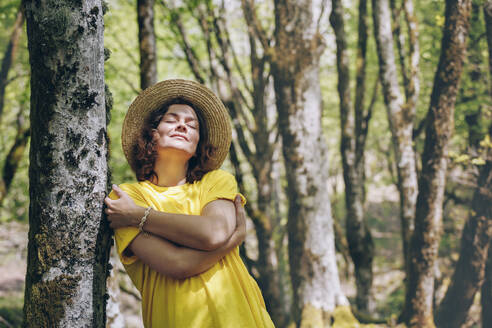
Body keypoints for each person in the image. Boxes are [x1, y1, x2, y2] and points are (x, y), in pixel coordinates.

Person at [104, 79, 275, 327]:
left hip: (239, 319)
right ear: (152, 133)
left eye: (191, 125)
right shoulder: (128, 197)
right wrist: (233, 241)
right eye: (172, 120)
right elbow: (177, 264)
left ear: (197, 145)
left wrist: (138, 216)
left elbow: (212, 233)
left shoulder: (216, 181)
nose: (182, 126)